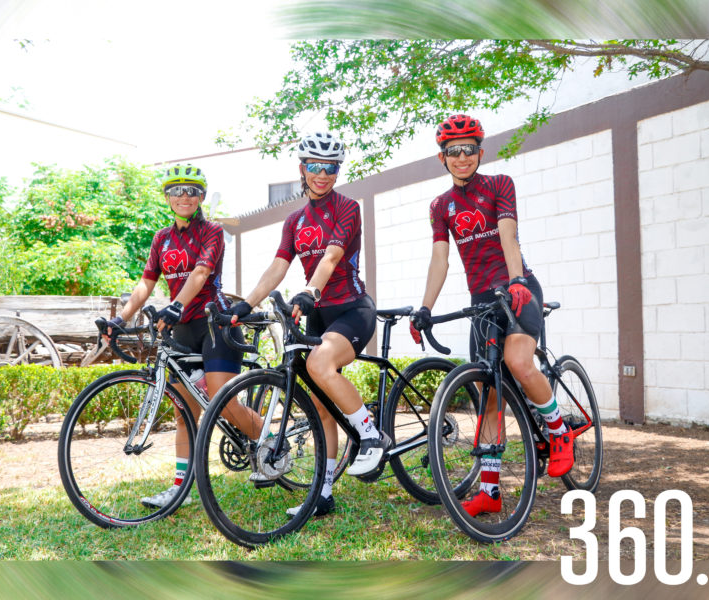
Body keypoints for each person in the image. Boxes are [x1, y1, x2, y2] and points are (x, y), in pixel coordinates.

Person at [410, 114, 574, 517]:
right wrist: (425, 308)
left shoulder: (500, 184)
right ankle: (489, 490)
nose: (462, 157)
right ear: (442, 158)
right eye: (453, 151)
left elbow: (507, 234)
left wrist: (516, 280)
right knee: (490, 397)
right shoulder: (440, 206)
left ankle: (558, 431)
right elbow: (440, 259)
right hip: (482, 300)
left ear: (480, 152)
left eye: (469, 149)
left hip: (517, 287)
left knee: (518, 362)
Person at [228, 132, 391, 517]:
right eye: (315, 167)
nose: (322, 174)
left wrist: (310, 291)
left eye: (330, 167)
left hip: (351, 309)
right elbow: (278, 266)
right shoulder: (295, 220)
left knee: (319, 365)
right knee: (318, 404)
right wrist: (243, 306)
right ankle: (324, 490)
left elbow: (332, 257)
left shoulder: (347, 208)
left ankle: (371, 435)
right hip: (316, 313)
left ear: (337, 170)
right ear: (302, 169)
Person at [104, 163, 262, 508]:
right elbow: (146, 282)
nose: (184, 196)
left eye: (191, 190)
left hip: (215, 323)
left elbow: (202, 271)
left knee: (223, 403)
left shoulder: (213, 231)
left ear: (202, 196)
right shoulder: (161, 238)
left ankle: (269, 445)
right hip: (182, 329)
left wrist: (175, 304)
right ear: (167, 197)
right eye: (177, 191)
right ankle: (181, 488)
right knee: (183, 412)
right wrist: (121, 319)